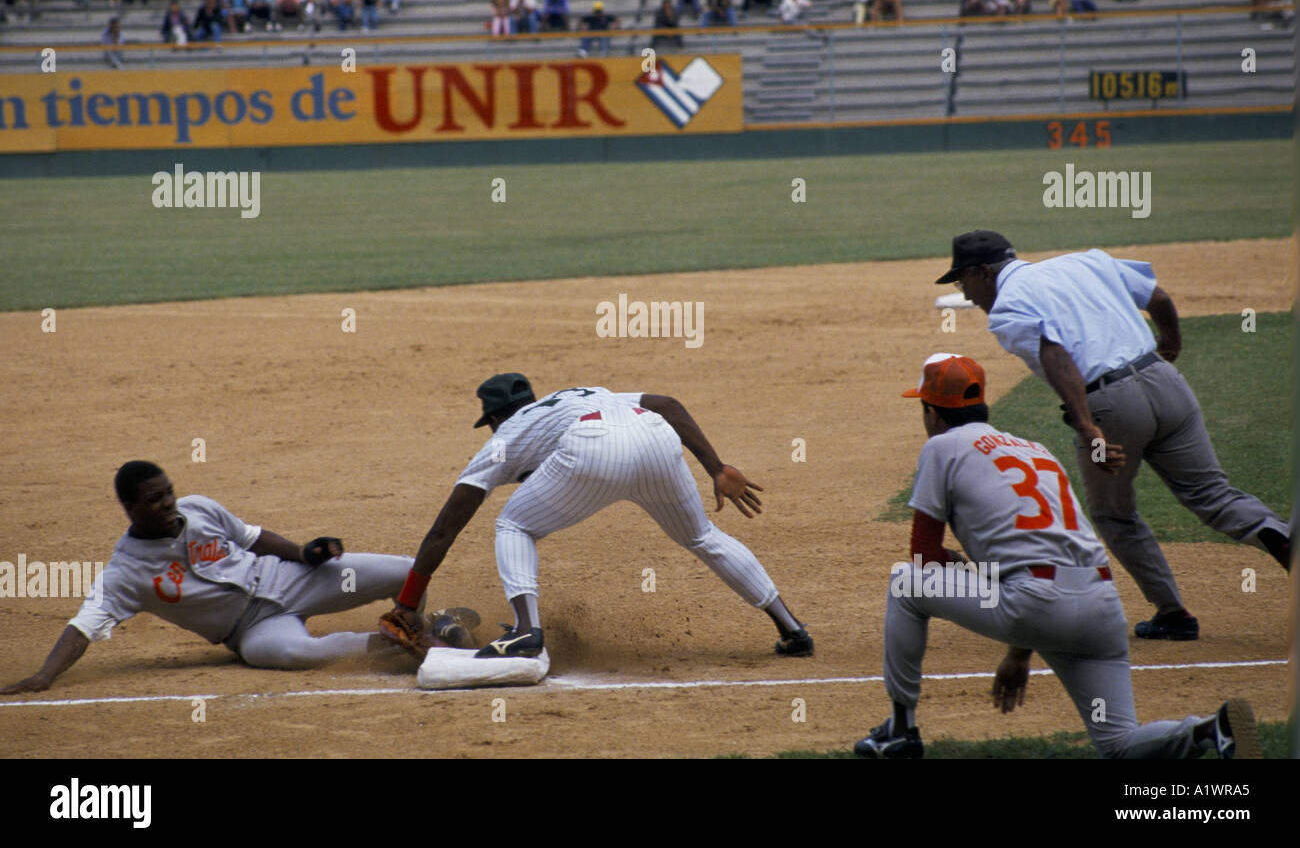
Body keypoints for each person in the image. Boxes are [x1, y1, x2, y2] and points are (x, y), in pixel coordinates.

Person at [851, 354, 1262, 761]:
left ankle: (899, 733)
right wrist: (1019, 650)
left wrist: (963, 570)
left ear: (933, 414)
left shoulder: (942, 447)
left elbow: (923, 554)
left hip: (1032, 603)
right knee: (1117, 744)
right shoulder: (1036, 450)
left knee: (905, 582)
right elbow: (1039, 549)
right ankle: (1211, 730)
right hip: (1100, 607)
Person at [937, 231, 1293, 639]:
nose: (966, 296)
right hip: (1166, 383)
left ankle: (1173, 614)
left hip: (1110, 406)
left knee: (1113, 514)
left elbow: (1055, 354)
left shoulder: (1008, 309)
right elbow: (1158, 299)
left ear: (984, 272)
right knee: (1214, 496)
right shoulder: (1084, 261)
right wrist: (1170, 345)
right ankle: (1282, 538)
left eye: (964, 282)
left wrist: (1089, 428)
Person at [379, 377, 812, 661]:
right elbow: (668, 404)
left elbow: (444, 529)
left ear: (494, 419)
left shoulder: (504, 437)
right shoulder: (577, 395)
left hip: (592, 447)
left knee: (514, 525)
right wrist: (715, 467)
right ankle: (793, 631)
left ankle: (526, 632)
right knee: (702, 536)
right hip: (656, 437)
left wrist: (408, 602)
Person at [1, 462, 423, 696]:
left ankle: (423, 623)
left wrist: (303, 553)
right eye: (155, 498)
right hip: (253, 631)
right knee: (294, 652)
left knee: (405, 570)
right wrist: (44, 675)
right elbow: (83, 626)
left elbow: (253, 538)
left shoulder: (198, 508)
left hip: (289, 579)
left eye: (168, 491)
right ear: (130, 507)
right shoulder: (125, 573)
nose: (168, 503)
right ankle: (398, 643)